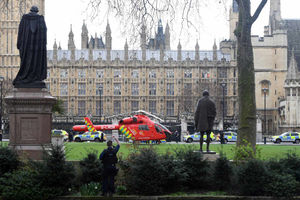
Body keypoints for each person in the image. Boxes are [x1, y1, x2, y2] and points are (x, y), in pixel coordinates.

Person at [13, 6, 47, 88]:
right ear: (37, 11)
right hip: (37, 48)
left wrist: (19, 44)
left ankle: (25, 75)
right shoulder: (40, 19)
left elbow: (20, 32)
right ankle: (35, 76)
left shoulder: (24, 19)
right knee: (36, 61)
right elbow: (44, 33)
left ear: (31, 11)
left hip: (26, 48)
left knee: (25, 61)